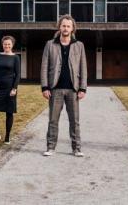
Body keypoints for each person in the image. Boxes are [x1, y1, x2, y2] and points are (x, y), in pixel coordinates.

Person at [41, 15, 87, 157]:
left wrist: (83, 88)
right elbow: (44, 66)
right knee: (53, 120)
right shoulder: (50, 44)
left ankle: (77, 148)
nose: (65, 28)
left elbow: (83, 68)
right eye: (63, 25)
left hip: (73, 89)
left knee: (75, 121)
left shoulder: (79, 45)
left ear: (72, 28)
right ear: (59, 27)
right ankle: (50, 147)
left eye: (68, 26)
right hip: (55, 89)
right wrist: (45, 87)